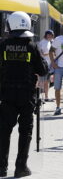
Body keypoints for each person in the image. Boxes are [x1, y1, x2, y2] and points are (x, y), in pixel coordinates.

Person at [0, 11, 48, 178]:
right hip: (27, 96)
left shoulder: (3, 45)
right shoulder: (31, 46)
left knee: (4, 131)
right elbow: (43, 70)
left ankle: (1, 167)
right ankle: (21, 168)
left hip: (6, 95)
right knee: (25, 131)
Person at [38, 30, 54, 101]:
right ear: (46, 35)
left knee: (47, 81)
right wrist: (52, 54)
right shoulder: (42, 42)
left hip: (48, 65)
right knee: (41, 82)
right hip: (43, 65)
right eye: (49, 35)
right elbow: (42, 54)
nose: (50, 36)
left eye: (51, 35)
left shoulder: (49, 42)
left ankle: (46, 97)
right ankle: (40, 97)